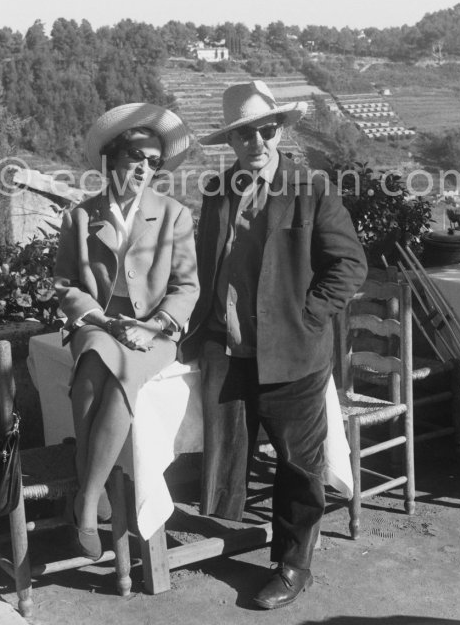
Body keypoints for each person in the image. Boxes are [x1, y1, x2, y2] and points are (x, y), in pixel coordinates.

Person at [181, 80, 367, 610]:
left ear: (279, 131)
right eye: (245, 134)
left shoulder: (311, 188)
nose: (257, 142)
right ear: (232, 141)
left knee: (298, 465)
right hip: (230, 350)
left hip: (293, 354)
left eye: (266, 130)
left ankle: (293, 564)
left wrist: (307, 316)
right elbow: (206, 265)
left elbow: (350, 264)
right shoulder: (217, 191)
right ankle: (233, 534)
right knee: (230, 454)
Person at [54, 102, 199, 560]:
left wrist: (152, 324)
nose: (143, 168)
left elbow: (186, 287)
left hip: (152, 328)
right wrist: (99, 319)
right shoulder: (80, 217)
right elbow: (65, 286)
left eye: (153, 162)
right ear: (112, 158)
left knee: (121, 383)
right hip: (99, 320)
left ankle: (86, 498)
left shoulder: (174, 214)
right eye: (135, 156)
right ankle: (90, 495)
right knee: (93, 361)